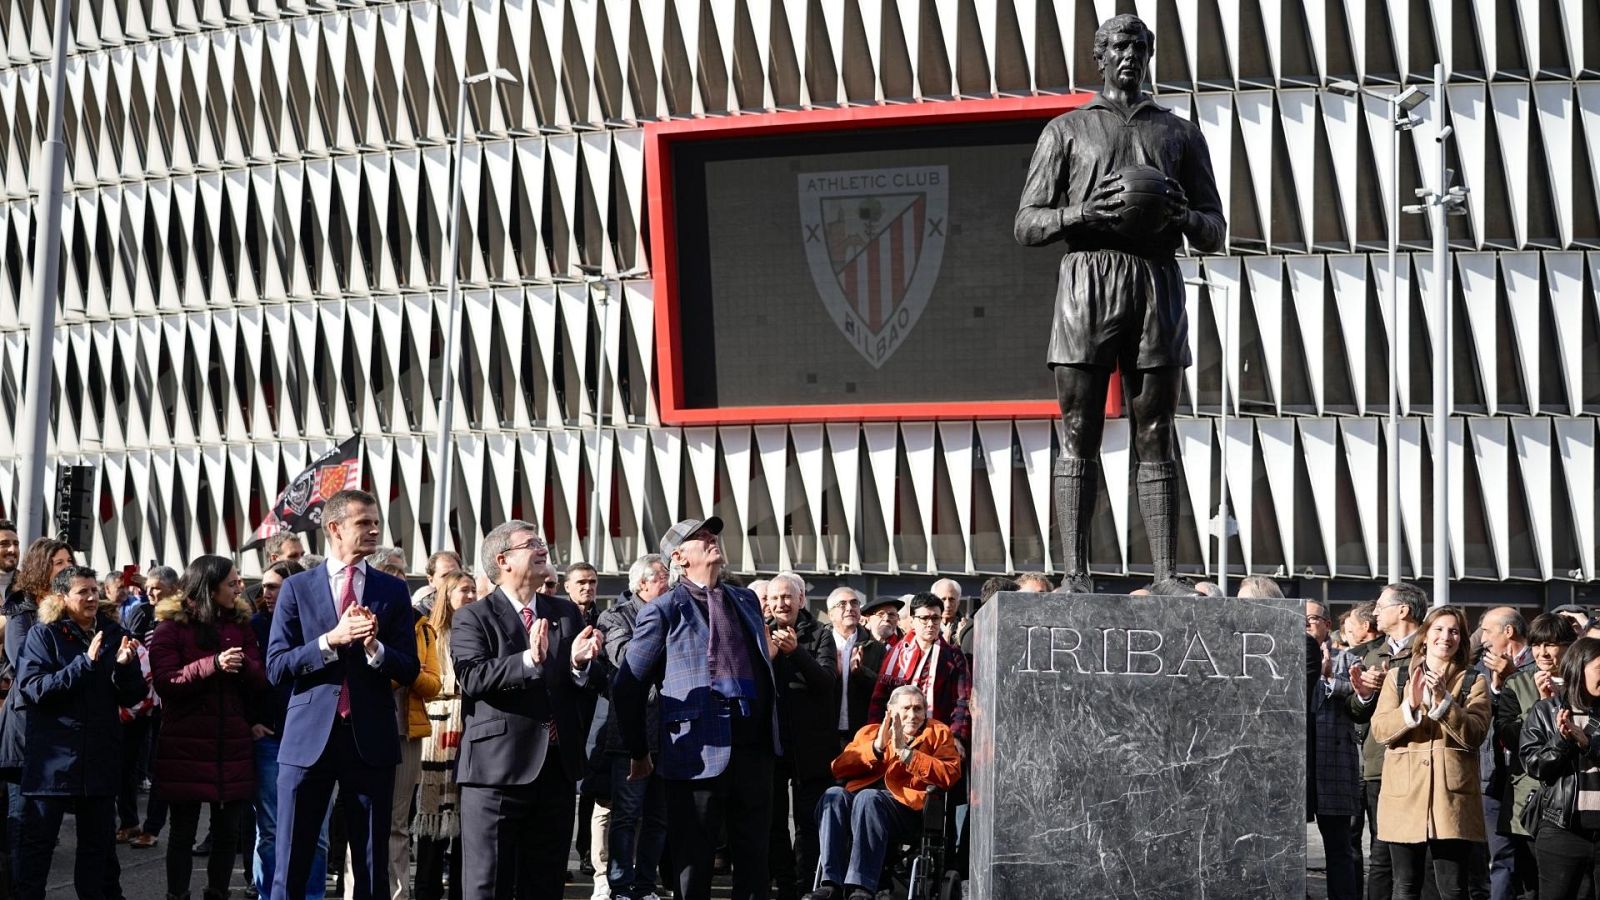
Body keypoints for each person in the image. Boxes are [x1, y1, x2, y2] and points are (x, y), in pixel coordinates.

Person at [1015, 13, 1225, 592]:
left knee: (1156, 428)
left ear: (1149, 55)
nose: (1129, 54)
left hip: (1156, 279)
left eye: (1138, 46)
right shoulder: (1066, 129)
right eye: (1118, 45)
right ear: (1099, 56)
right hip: (1087, 278)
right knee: (1078, 426)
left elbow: (1214, 228)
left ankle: (1165, 576)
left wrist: (1183, 216)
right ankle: (1075, 575)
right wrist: (1082, 212)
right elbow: (1027, 223)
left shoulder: (1180, 134)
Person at [612, 517, 781, 900]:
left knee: (755, 862)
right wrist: (639, 751)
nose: (711, 539)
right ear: (679, 557)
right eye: (699, 537)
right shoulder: (664, 609)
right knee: (693, 866)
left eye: (712, 533)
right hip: (696, 752)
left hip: (754, 749)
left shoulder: (745, 600)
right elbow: (628, 685)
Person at [266, 490, 421, 900]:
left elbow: (409, 667)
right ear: (335, 528)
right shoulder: (297, 588)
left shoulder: (392, 590)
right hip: (307, 741)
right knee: (291, 861)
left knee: (371, 865)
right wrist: (330, 641)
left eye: (376, 523)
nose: (374, 530)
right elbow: (276, 666)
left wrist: (375, 648)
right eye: (363, 523)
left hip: (369, 739)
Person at [452, 522, 602, 900]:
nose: (542, 548)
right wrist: (528, 660)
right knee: (488, 885)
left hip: (556, 768)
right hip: (496, 770)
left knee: (546, 884)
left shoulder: (565, 612)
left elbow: (587, 682)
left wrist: (578, 665)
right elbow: (472, 677)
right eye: (531, 543)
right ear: (503, 560)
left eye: (541, 541)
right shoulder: (474, 616)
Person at [13, 566, 144, 900]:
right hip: (53, 761)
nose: (91, 597)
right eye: (82, 591)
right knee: (37, 848)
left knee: (97, 852)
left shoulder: (114, 632)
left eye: (94, 590)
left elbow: (133, 695)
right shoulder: (44, 635)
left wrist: (125, 668)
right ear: (62, 597)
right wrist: (84, 663)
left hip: (99, 759)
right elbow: (34, 688)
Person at [149, 555, 267, 900]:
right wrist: (212, 664)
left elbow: (261, 679)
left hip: (232, 743)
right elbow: (166, 681)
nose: (239, 588)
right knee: (182, 832)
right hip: (184, 744)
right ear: (210, 587)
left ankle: (218, 893)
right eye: (232, 583)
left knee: (228, 832)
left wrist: (242, 665)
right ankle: (177, 895)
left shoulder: (241, 624)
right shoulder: (170, 627)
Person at [1370, 605, 1491, 900]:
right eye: (1439, 629)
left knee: (1453, 888)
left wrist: (1444, 703)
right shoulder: (1397, 677)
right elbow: (1380, 730)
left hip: (1452, 798)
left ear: (1462, 639)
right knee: (1404, 885)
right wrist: (1409, 706)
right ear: (1424, 636)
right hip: (1403, 795)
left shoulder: (1473, 680)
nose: (1446, 637)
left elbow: (1475, 734)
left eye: (1454, 631)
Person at [806, 685, 962, 900]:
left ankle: (861, 888)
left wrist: (907, 754)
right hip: (861, 805)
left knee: (868, 798)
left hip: (907, 810)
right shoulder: (869, 732)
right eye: (906, 708)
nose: (912, 715)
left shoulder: (938, 733)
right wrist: (876, 748)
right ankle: (831, 884)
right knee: (834, 795)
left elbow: (950, 773)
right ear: (890, 710)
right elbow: (838, 767)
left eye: (918, 709)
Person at [252, 560, 331, 900]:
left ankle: (312, 895)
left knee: (317, 833)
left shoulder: (318, 623)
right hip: (269, 738)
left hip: (313, 736)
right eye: (264, 587)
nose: (266, 593)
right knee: (271, 831)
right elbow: (252, 680)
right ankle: (269, 894)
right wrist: (252, 720)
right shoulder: (255, 625)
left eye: (274, 586)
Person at [597, 554, 671, 900]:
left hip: (670, 734)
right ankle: (620, 886)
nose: (670, 584)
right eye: (663, 578)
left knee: (658, 818)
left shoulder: (676, 613)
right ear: (643, 583)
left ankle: (645, 886)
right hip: (632, 733)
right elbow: (627, 658)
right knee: (626, 815)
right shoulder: (615, 616)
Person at [1347, 583, 1427, 900]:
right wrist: (1365, 695)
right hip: (1378, 765)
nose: (1375, 613)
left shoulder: (1430, 649)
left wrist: (1392, 688)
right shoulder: (1372, 654)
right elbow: (1356, 712)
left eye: (1381, 607)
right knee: (1380, 856)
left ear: (1403, 610)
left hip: (1417, 764)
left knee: (1418, 856)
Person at [764, 573, 837, 900]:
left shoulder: (822, 634)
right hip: (772, 745)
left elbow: (826, 682)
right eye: (775, 598)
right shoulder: (760, 632)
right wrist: (768, 657)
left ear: (801, 600)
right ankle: (784, 885)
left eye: (787, 597)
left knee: (808, 824)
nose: (782, 603)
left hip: (811, 747)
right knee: (773, 822)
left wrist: (796, 652)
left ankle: (808, 886)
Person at [372, 564, 443, 900]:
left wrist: (407, 672)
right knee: (365, 820)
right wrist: (403, 669)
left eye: (401, 584)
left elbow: (432, 684)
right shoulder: (360, 624)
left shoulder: (423, 629)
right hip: (368, 731)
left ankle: (398, 894)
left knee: (398, 824)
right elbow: (366, 681)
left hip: (407, 732)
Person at [1495, 613, 1577, 898]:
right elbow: (1509, 736)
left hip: (1574, 794)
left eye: (1550, 644)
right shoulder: (1517, 683)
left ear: (1569, 645)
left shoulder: (1584, 682)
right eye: (1536, 645)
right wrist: (1543, 706)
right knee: (1530, 885)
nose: (1542, 652)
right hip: (1529, 798)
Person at [1519, 636, 1600, 899]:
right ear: (1578, 669)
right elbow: (1534, 766)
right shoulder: (1545, 711)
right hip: (1561, 829)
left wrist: (1587, 743)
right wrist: (1562, 741)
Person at [413, 571, 476, 900]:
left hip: (469, 727)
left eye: (474, 590)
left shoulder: (479, 630)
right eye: (464, 590)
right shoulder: (430, 632)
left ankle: (460, 891)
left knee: (468, 816)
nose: (471, 595)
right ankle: (426, 889)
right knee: (432, 818)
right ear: (446, 595)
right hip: (436, 731)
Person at [1476, 607, 1533, 900]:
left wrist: (1513, 678)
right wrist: (1496, 690)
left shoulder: (1542, 662)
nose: (1482, 638)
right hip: (1493, 775)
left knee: (1531, 861)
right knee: (1501, 857)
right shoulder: (1482, 666)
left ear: (1508, 631)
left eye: (1486, 631)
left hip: (1532, 779)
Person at [1307, 600, 1362, 900]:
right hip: (1299, 763)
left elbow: (1357, 692)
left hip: (1334, 763)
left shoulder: (1348, 657)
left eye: (1312, 618)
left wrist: (1327, 677)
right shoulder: (1283, 657)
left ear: (1328, 625)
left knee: (1340, 848)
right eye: (1301, 619)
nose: (1306, 624)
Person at [867, 593, 971, 751]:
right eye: (924, 618)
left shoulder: (953, 655)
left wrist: (956, 736)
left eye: (935, 618)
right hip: (895, 736)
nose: (930, 624)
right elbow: (879, 699)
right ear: (912, 621)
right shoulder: (895, 654)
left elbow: (962, 700)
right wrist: (875, 735)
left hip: (937, 738)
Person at [412, 552, 463, 617]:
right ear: (431, 580)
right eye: (445, 576)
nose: (452, 580)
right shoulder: (420, 614)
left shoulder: (471, 603)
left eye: (456, 574)